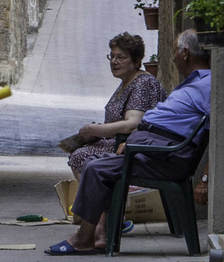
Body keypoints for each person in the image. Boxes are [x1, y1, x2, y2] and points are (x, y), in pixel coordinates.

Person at [46, 29, 210, 255]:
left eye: (174, 53)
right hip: (150, 149)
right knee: (95, 161)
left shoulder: (205, 85)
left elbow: (220, 127)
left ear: (184, 53)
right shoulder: (190, 84)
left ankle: (86, 237)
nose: (171, 59)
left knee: (94, 167)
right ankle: (95, 230)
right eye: (112, 56)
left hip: (163, 155)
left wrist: (205, 178)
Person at [65, 31, 165, 184]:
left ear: (136, 61)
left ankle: (99, 205)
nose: (114, 61)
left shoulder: (143, 83)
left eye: (121, 57)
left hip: (133, 146)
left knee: (80, 156)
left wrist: (95, 130)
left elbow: (133, 123)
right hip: (119, 142)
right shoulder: (126, 83)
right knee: (76, 150)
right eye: (112, 56)